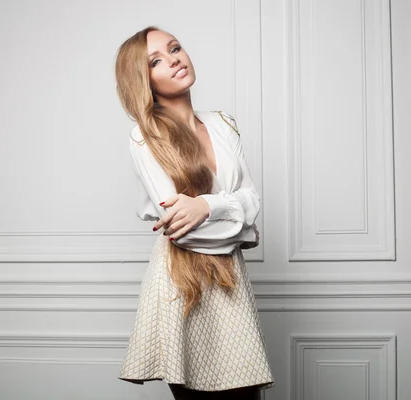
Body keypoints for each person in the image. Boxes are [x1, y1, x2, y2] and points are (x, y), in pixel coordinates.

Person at [114, 25, 274, 400]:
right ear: (144, 80)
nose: (173, 59)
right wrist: (238, 224)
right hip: (183, 282)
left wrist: (207, 205)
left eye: (175, 48)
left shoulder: (223, 124)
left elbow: (252, 200)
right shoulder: (145, 136)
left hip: (231, 281)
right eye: (156, 61)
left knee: (246, 395)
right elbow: (185, 233)